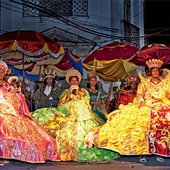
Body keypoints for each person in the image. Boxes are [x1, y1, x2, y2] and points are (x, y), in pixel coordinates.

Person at [85, 59, 170, 162]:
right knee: (139, 127)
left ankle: (161, 151)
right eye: (153, 71)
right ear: (150, 72)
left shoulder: (166, 83)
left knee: (162, 125)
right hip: (146, 106)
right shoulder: (144, 83)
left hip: (162, 105)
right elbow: (139, 95)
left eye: (157, 71)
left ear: (159, 72)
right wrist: (142, 102)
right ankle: (142, 153)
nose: (155, 73)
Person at [33, 69, 119, 161]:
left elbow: (86, 102)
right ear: (69, 82)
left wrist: (77, 99)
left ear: (78, 81)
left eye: (75, 80)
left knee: (78, 104)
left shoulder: (83, 91)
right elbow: (61, 104)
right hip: (70, 115)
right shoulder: (65, 92)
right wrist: (70, 97)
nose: (74, 82)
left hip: (83, 115)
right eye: (72, 80)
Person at [0, 61, 60, 165]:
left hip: (12, 111)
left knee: (25, 125)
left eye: (2, 72)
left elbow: (15, 96)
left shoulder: (6, 86)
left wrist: (16, 92)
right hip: (5, 111)